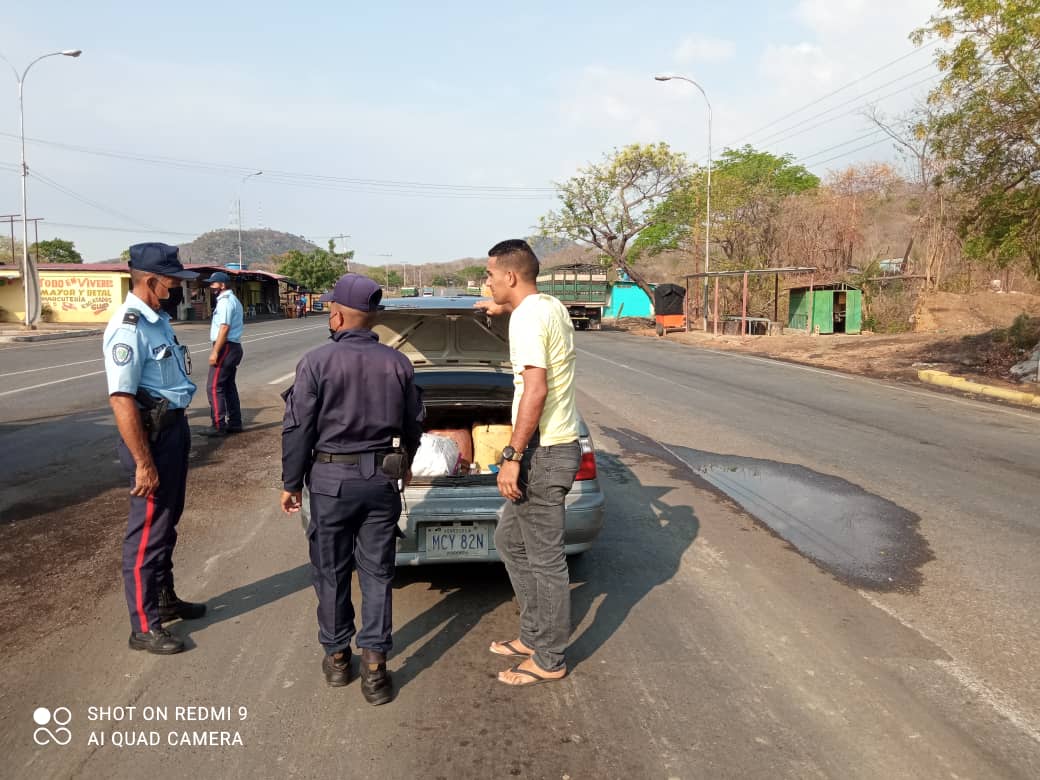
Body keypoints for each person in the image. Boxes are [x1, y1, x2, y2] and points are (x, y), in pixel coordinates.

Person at [280, 273, 424, 704]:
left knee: (331, 570)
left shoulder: (316, 362)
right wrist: (408, 466)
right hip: (381, 479)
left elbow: (297, 430)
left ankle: (339, 658)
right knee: (378, 573)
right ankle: (376, 670)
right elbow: (414, 423)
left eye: (329, 308)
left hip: (330, 482)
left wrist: (290, 484)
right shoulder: (398, 363)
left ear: (339, 314)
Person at [475, 239, 581, 686]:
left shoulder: (528, 318)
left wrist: (512, 457)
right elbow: (531, 315)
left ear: (511, 277)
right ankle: (534, 634)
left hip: (545, 451)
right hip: (551, 447)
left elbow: (534, 390)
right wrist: (502, 310)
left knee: (545, 560)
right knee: (509, 540)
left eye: (490, 276)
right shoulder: (547, 306)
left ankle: (550, 659)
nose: (487, 283)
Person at [103, 242, 207, 655]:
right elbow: (122, 399)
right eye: (172, 281)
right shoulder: (128, 328)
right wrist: (144, 463)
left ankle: (164, 600)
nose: (176, 287)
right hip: (151, 438)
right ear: (151, 280)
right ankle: (143, 625)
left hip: (172, 429)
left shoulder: (157, 321)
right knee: (146, 532)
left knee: (166, 522)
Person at [201, 271, 244, 436]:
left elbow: (224, 327)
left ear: (223, 285)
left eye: (213, 284)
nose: (211, 287)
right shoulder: (232, 300)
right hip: (232, 347)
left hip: (226, 346)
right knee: (228, 386)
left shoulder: (225, 302)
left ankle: (218, 425)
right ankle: (235, 422)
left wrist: (215, 352)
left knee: (213, 386)